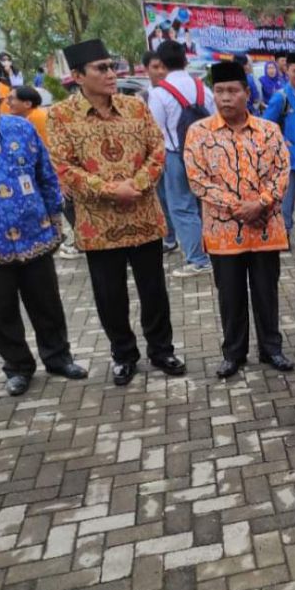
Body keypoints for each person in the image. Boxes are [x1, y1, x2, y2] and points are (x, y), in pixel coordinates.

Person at [48, 38, 186, 387]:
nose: (111, 74)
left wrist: (137, 184)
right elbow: (64, 167)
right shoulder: (61, 116)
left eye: (112, 67)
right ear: (78, 76)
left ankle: (161, 350)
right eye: (102, 68)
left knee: (154, 292)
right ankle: (123, 355)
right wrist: (111, 189)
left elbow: (157, 149)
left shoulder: (135, 106)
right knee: (110, 297)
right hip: (99, 225)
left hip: (143, 217)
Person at [0, 65, 88, 396]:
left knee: (47, 304)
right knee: (1, 312)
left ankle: (58, 357)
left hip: (34, 235)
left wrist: (55, 219)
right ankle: (18, 367)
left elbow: (46, 174)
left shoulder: (21, 129)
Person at [184, 61, 295, 378]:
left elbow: (281, 171)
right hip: (223, 232)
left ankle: (271, 349)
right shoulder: (199, 133)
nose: (225, 97)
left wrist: (260, 204)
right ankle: (233, 353)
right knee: (230, 295)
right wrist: (240, 208)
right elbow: (197, 180)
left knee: (266, 292)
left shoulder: (269, 130)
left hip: (265, 229)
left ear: (247, 92)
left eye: (232, 90)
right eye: (219, 91)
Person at [149, 39, 214, 276]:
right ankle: (213, 251)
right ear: (186, 60)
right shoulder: (204, 89)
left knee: (182, 208)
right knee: (204, 204)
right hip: (206, 155)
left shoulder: (159, 93)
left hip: (176, 156)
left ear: (161, 63)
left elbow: (156, 131)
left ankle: (198, 259)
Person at [263, 51, 295, 236]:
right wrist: (282, 141)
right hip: (289, 159)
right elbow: (266, 127)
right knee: (287, 200)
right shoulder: (280, 97)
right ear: (287, 70)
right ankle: (285, 232)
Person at [140, 50, 177, 253]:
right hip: (155, 157)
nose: (161, 71)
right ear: (146, 69)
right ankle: (169, 237)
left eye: (164, 67)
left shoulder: (176, 92)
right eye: (155, 67)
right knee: (162, 198)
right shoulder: (142, 98)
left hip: (177, 154)